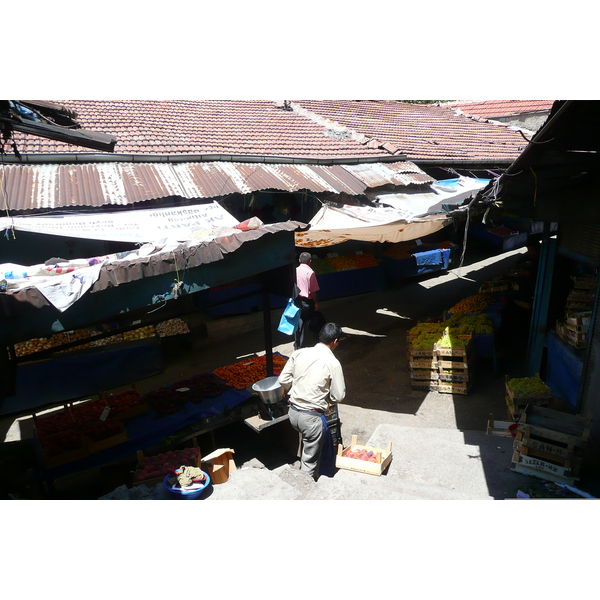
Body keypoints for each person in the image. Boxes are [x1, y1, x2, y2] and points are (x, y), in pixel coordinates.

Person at [277, 322, 346, 480]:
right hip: (311, 419)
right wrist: (325, 397)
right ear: (335, 341)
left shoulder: (299, 353)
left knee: (308, 445)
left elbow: (283, 379)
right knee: (309, 463)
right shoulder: (333, 363)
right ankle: (304, 491)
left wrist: (293, 389)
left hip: (293, 414)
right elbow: (338, 396)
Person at [294, 252, 322, 350]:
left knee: (300, 324)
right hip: (308, 301)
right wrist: (316, 303)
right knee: (317, 321)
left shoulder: (295, 271)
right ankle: (317, 343)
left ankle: (298, 346)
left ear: (299, 260)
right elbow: (313, 291)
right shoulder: (310, 273)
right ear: (310, 262)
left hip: (298, 300)